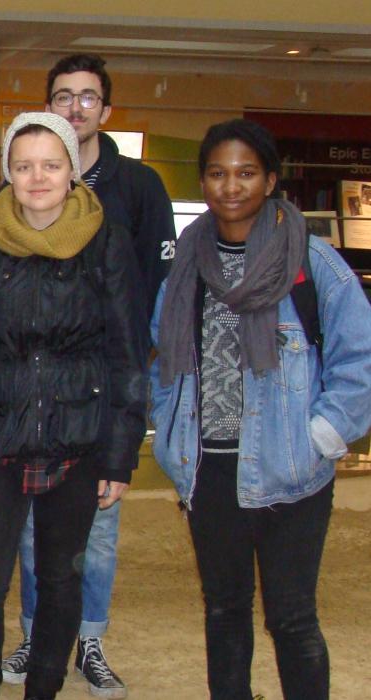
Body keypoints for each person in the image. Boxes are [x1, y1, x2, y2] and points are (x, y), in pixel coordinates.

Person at [150, 119, 371, 700]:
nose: (231, 186)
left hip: (291, 473)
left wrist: (323, 434)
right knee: (224, 611)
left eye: (246, 173)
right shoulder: (186, 266)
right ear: (204, 180)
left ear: (270, 180)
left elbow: (360, 357)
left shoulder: (311, 263)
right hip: (209, 470)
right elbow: (161, 356)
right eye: (218, 173)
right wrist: (170, 437)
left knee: (292, 617)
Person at [0, 112, 147, 700]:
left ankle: (43, 690)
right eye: (23, 166)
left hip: (77, 440)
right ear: (8, 172)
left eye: (51, 165)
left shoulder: (107, 242)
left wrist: (119, 455)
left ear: (72, 171)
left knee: (60, 579)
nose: (37, 178)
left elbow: (128, 352)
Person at [6, 52, 179, 698]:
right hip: (36, 392)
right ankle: (33, 637)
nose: (74, 107)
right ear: (45, 107)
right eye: (62, 96)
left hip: (108, 388)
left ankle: (91, 641)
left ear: (105, 110)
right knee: (31, 525)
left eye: (86, 97)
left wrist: (141, 372)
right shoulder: (26, 185)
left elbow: (159, 288)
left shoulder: (140, 188)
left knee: (99, 527)